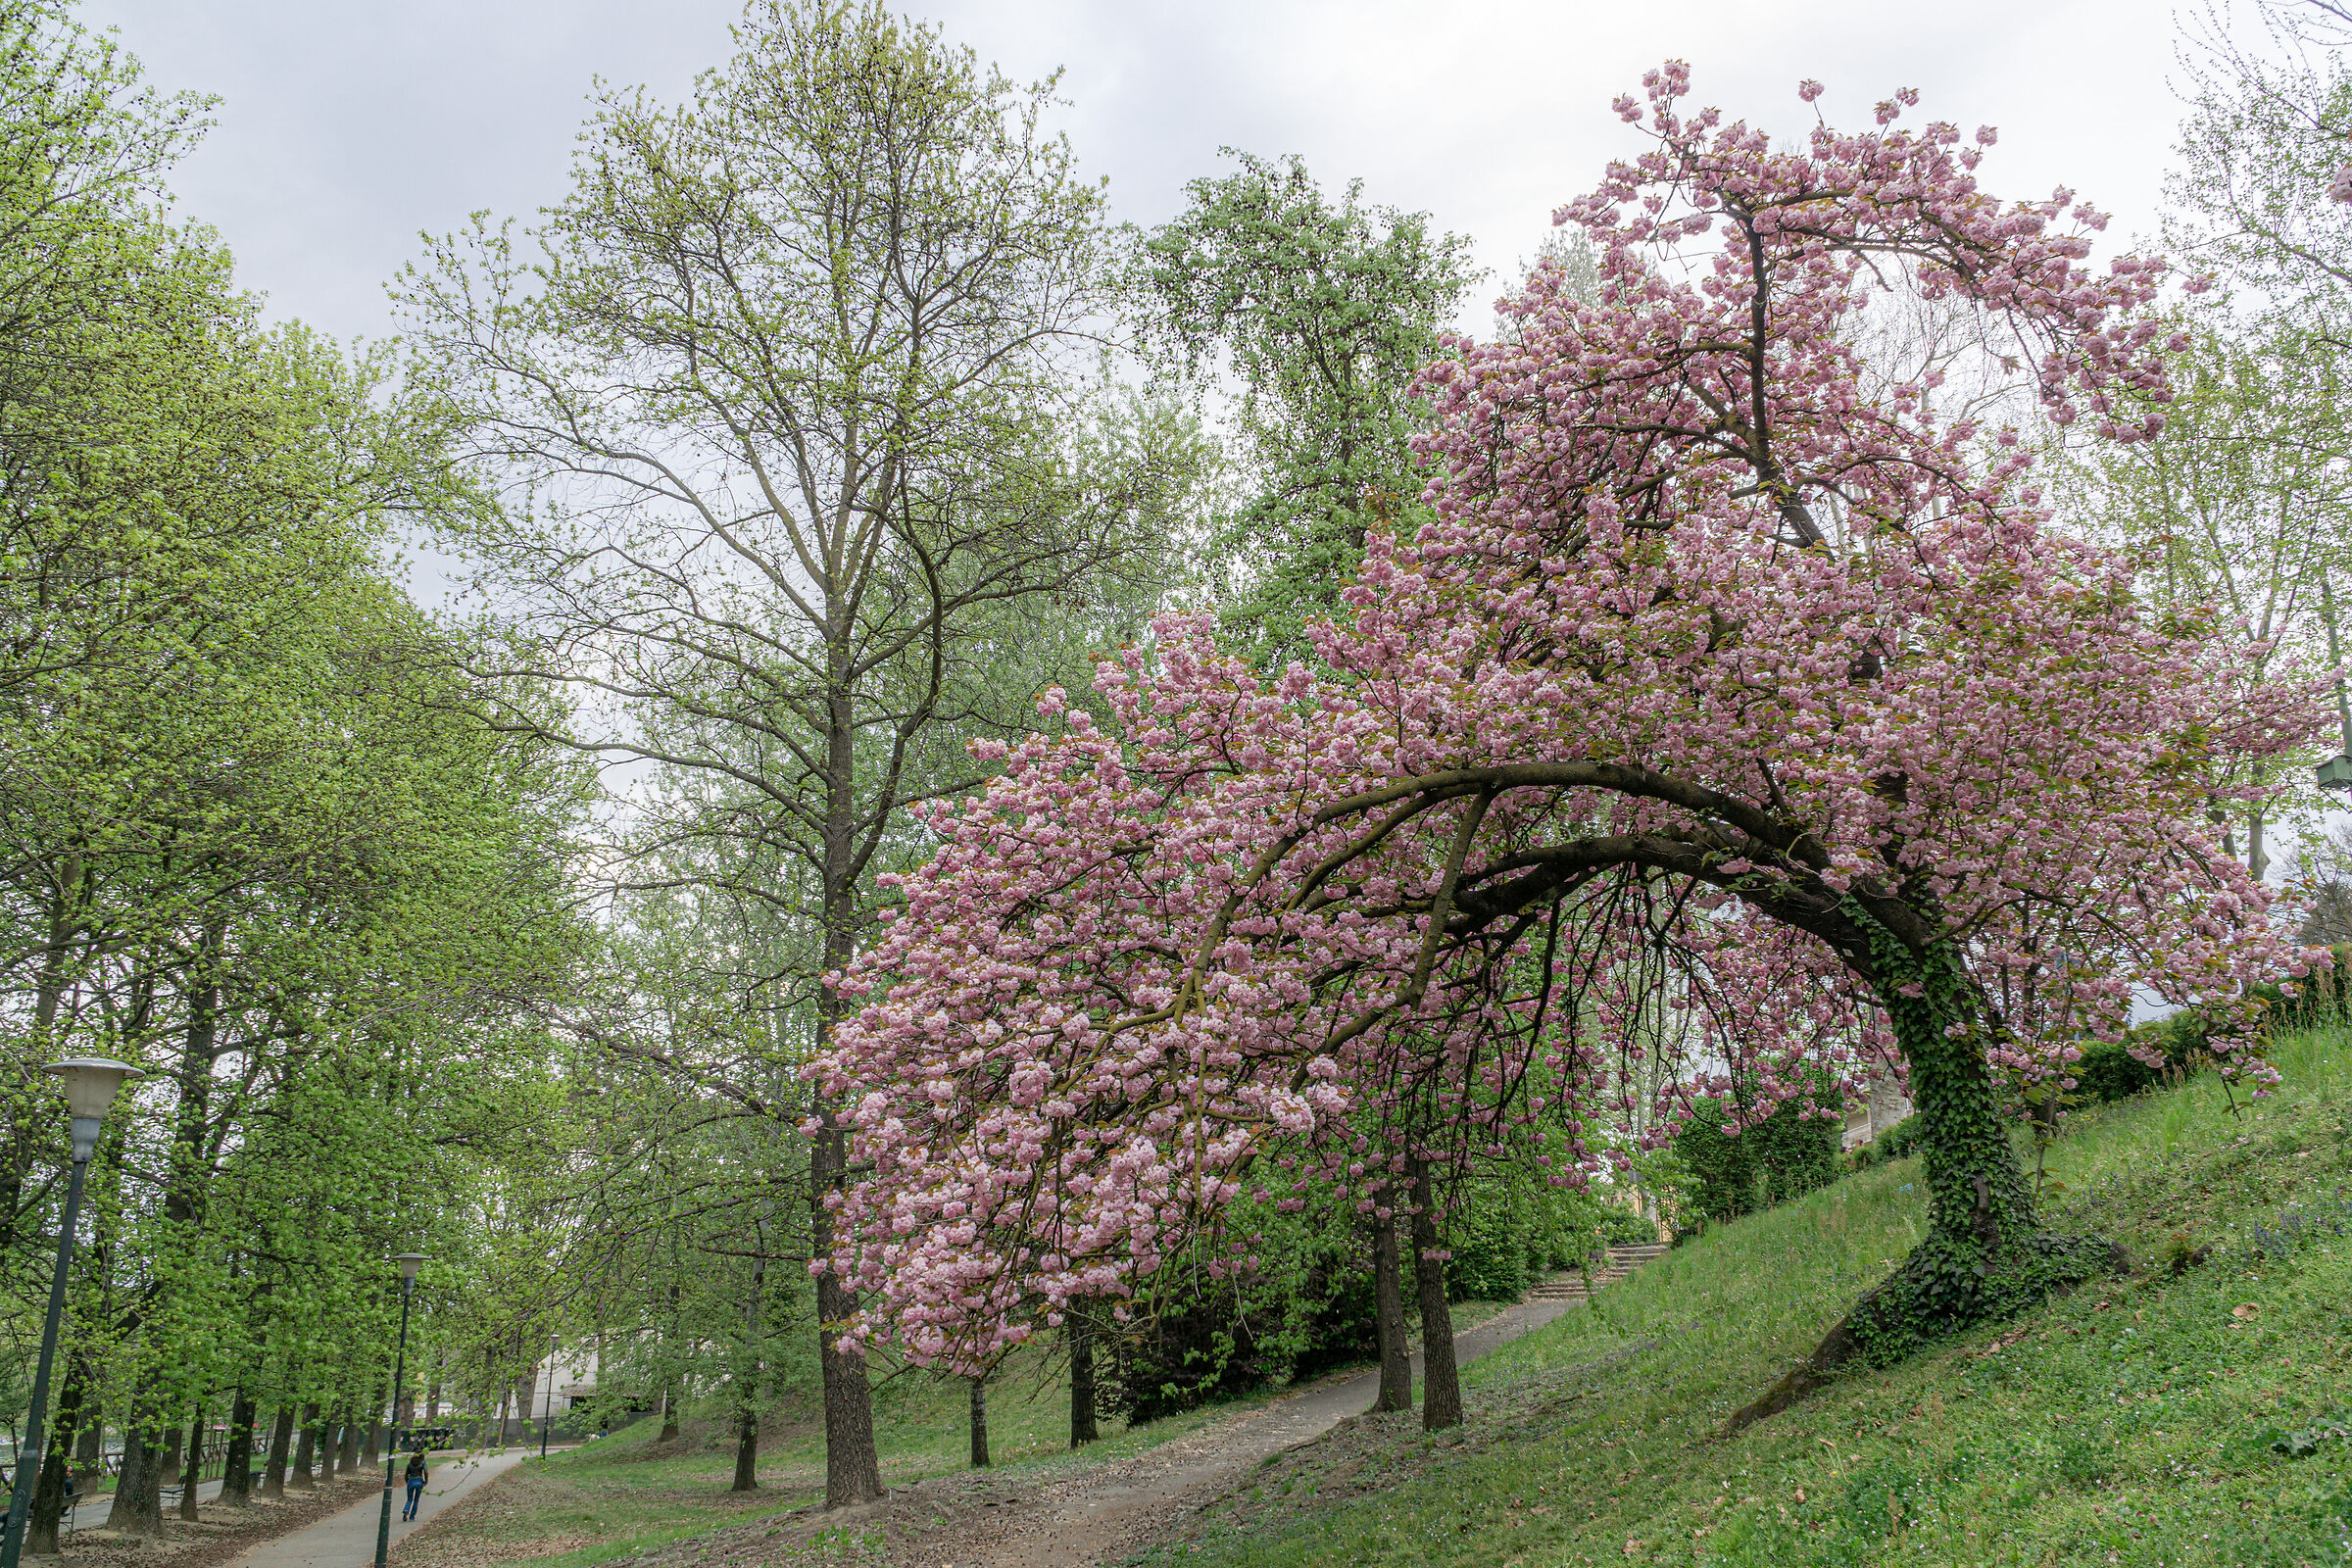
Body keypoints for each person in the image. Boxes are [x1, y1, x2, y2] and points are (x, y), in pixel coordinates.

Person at [401, 1449, 427, 1520]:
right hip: (418, 1480)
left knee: (409, 1499)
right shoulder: (422, 1463)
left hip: (411, 1481)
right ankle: (412, 1516)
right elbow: (426, 1472)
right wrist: (425, 1481)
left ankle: (406, 1509)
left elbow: (406, 1475)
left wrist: (407, 1481)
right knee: (416, 1500)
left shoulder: (410, 1464)